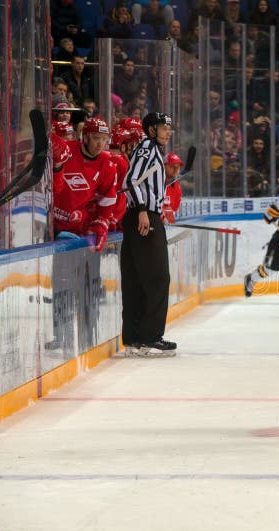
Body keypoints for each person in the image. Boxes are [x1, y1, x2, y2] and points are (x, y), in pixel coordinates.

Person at [121, 112, 177, 357]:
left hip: (140, 216)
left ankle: (135, 338)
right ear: (151, 129)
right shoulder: (147, 149)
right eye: (164, 128)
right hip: (143, 218)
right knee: (157, 278)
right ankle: (150, 338)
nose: (168, 132)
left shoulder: (150, 149)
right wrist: (145, 210)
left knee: (137, 279)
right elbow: (131, 181)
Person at [50, 118, 117, 251]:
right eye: (97, 138)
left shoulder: (107, 164)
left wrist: (102, 222)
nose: (100, 144)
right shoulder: (67, 149)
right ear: (85, 137)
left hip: (77, 229)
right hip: (51, 224)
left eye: (104, 139)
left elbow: (107, 198)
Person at [162, 152, 184, 224]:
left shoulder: (177, 187)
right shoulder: (155, 183)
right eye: (172, 166)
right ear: (163, 166)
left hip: (168, 227)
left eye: (178, 167)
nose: (176, 169)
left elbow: (173, 210)